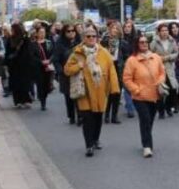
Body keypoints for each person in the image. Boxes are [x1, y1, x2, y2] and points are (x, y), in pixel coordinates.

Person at [64, 28, 121, 157]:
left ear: (97, 37)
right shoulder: (77, 53)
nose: (91, 38)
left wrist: (115, 88)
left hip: (100, 90)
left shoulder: (104, 53)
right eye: (88, 36)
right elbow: (67, 70)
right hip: (84, 92)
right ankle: (89, 145)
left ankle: (95, 139)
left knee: (97, 118)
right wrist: (78, 66)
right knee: (87, 119)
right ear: (84, 38)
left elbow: (111, 70)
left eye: (93, 36)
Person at [123, 35, 166, 158]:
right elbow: (126, 79)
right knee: (145, 119)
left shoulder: (156, 57)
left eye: (146, 42)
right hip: (140, 97)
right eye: (141, 42)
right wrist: (136, 90)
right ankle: (147, 146)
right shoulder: (132, 60)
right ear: (137, 44)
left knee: (150, 120)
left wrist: (160, 82)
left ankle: (146, 140)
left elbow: (162, 73)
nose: (144, 44)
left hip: (155, 95)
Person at [53, 23, 82, 125]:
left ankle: (80, 116)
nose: (71, 33)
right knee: (69, 96)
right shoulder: (59, 44)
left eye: (73, 31)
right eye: (68, 31)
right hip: (65, 74)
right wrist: (61, 70)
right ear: (64, 33)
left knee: (78, 95)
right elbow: (55, 60)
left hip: (78, 73)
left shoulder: (80, 42)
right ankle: (71, 116)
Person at [150, 24, 179, 119]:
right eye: (163, 30)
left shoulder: (171, 41)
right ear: (159, 32)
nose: (165, 32)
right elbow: (150, 54)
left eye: (166, 30)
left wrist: (168, 57)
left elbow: (176, 52)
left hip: (170, 68)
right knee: (160, 90)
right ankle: (161, 110)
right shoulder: (155, 42)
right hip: (158, 68)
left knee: (173, 89)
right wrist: (159, 59)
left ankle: (168, 107)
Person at [5, 22, 35, 109]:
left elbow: (28, 52)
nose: (11, 31)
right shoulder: (11, 39)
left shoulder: (24, 39)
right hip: (16, 66)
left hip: (20, 66)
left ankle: (24, 100)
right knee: (18, 84)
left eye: (12, 29)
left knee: (23, 84)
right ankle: (19, 101)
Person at [101, 21, 125, 124]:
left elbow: (127, 57)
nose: (114, 30)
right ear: (109, 30)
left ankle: (114, 116)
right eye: (112, 28)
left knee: (117, 93)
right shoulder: (104, 41)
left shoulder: (123, 43)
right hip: (108, 68)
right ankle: (106, 115)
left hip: (118, 68)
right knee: (109, 93)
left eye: (116, 28)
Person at [31, 26, 55, 111]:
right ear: (37, 33)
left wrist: (49, 60)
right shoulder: (33, 44)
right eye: (40, 32)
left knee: (47, 85)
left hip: (48, 67)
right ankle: (42, 102)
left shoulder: (49, 42)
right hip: (38, 68)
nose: (42, 34)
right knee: (40, 84)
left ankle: (44, 96)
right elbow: (32, 56)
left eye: (43, 32)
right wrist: (41, 62)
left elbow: (53, 53)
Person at [119, 19, 139, 118]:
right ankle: (130, 108)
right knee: (127, 87)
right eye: (125, 27)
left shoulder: (136, 39)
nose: (127, 29)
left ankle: (132, 105)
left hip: (135, 65)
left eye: (129, 27)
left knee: (134, 86)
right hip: (124, 66)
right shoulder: (120, 40)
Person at [169, 22, 179, 113]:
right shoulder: (169, 40)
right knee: (174, 86)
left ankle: (178, 101)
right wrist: (177, 48)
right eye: (173, 28)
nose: (175, 29)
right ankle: (175, 104)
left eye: (176, 27)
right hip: (173, 65)